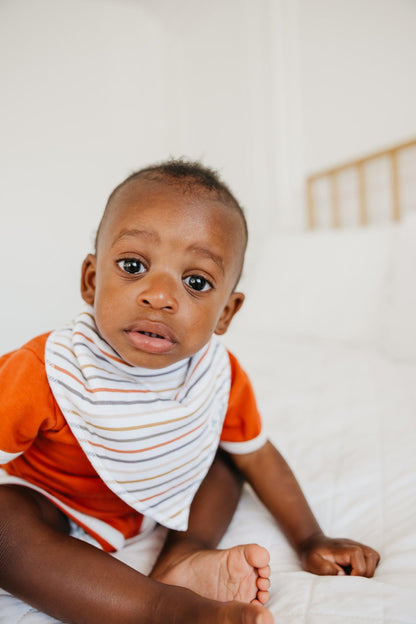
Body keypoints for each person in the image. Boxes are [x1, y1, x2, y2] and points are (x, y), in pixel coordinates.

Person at [0, 160, 379, 624]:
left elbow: (259, 456)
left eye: (196, 281)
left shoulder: (216, 375)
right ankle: (164, 606)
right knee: (3, 523)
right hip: (55, 501)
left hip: (167, 494)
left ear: (226, 314)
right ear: (91, 280)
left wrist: (310, 540)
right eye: (134, 266)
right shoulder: (47, 368)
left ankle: (183, 557)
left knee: (231, 458)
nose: (159, 295)